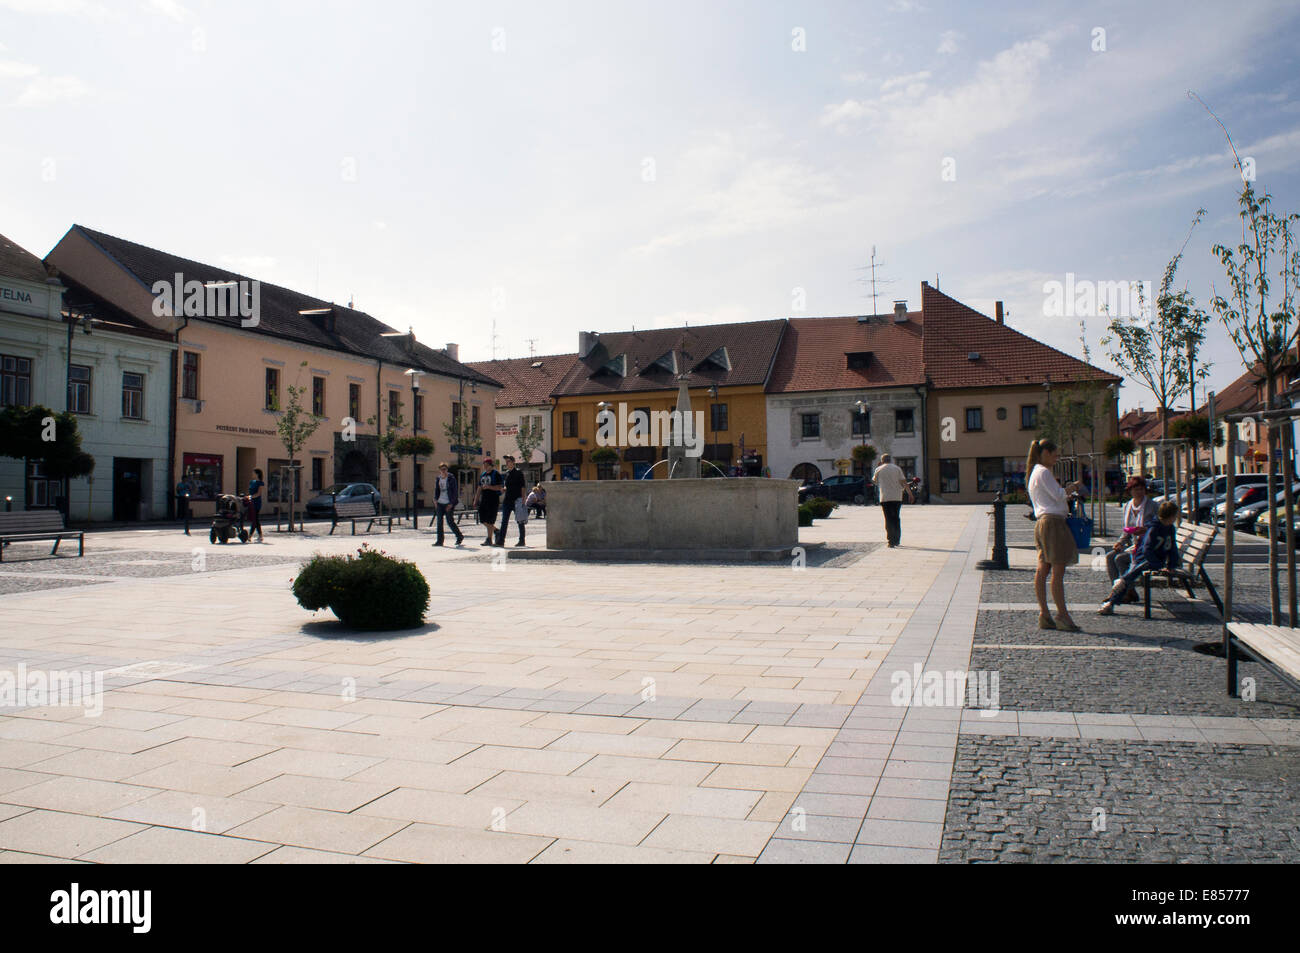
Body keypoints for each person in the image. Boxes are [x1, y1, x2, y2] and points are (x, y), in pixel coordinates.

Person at [1027, 439, 1083, 631]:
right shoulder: (1043, 471)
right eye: (1055, 454)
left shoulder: (1035, 472)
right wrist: (1074, 487)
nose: (1056, 458)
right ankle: (1062, 614)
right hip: (1052, 523)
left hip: (1043, 522)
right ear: (1046, 453)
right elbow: (1059, 494)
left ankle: (1045, 613)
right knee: (1057, 570)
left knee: (1043, 569)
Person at [1098, 501, 1180, 615]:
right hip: (1144, 559)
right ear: (1170, 516)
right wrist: (1155, 562)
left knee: (1130, 575)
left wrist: (1171, 565)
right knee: (1133, 572)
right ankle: (1112, 600)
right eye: (1175, 516)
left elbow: (1172, 549)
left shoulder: (1169, 529)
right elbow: (1147, 549)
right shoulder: (1154, 528)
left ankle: (1115, 594)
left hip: (1154, 561)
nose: (1175, 519)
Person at [1107, 476, 1157, 599]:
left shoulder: (1152, 505)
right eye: (1136, 489)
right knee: (1110, 557)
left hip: (1147, 546)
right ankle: (1119, 590)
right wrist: (1120, 542)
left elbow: (1159, 526)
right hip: (1133, 545)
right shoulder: (1128, 506)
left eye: (1141, 489)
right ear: (1130, 491)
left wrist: (1146, 529)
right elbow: (1126, 530)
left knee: (1120, 559)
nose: (1139, 492)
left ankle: (1125, 591)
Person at [872, 453, 912, 547]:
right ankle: (897, 539)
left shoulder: (878, 469)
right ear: (890, 460)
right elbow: (903, 481)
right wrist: (910, 494)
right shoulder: (897, 468)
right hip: (897, 497)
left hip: (885, 497)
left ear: (882, 460)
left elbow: (874, 481)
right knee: (896, 518)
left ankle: (890, 541)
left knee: (888, 518)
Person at [496, 454, 527, 547]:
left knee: (519, 520)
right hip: (507, 500)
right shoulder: (507, 473)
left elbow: (523, 486)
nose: (507, 463)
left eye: (509, 461)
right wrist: (504, 489)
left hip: (517, 500)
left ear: (513, 462)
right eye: (506, 462)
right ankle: (501, 541)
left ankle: (522, 540)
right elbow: (507, 485)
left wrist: (523, 499)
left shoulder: (518, 472)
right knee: (504, 521)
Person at [432, 462, 464, 547]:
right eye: (442, 469)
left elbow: (454, 492)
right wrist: (435, 499)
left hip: (448, 503)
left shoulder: (451, 478)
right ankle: (439, 541)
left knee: (450, 521)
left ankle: (459, 536)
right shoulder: (438, 478)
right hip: (440, 502)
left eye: (445, 469)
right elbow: (436, 490)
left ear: (447, 470)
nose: (443, 471)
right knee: (439, 522)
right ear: (439, 470)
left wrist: (451, 504)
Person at [474, 457, 503, 546]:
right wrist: (476, 499)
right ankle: (496, 531)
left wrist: (489, 487)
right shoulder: (482, 475)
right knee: (482, 519)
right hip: (484, 499)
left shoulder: (496, 474)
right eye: (484, 465)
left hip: (493, 499)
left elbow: (500, 487)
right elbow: (479, 488)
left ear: (491, 466)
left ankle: (489, 539)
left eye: (487, 465)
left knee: (490, 520)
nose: (485, 467)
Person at [247, 467, 265, 543]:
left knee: (255, 519)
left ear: (257, 474)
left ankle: (250, 536)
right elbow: (249, 491)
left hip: (256, 502)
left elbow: (259, 493)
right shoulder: (251, 482)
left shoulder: (260, 483)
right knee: (255, 520)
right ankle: (260, 536)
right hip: (250, 502)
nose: (252, 474)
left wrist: (251, 497)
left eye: (254, 473)